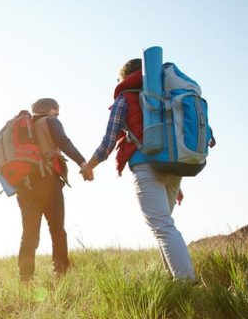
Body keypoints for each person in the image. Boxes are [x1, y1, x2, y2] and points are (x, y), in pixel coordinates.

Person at [82, 59, 215, 281]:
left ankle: (186, 282)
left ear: (124, 78)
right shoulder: (168, 97)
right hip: (174, 167)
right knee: (164, 227)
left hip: (146, 166)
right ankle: (173, 280)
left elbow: (108, 142)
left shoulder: (125, 98)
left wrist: (89, 166)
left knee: (162, 226)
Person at [17, 98, 87, 282]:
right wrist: (82, 162)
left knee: (29, 231)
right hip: (48, 181)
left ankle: (25, 277)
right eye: (57, 110)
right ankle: (61, 272)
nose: (58, 113)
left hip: (25, 185)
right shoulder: (50, 120)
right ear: (51, 109)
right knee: (57, 228)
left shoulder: (26, 127)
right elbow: (63, 141)